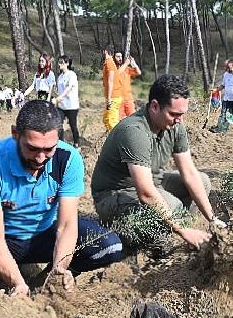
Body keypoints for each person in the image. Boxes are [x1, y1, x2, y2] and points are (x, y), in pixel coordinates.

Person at [0, 100, 123, 296]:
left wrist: (58, 271)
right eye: (32, 149)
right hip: (4, 238)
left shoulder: (68, 159)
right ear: (15, 134)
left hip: (44, 235)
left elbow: (66, 225)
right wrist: (16, 283)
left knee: (109, 246)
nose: (40, 158)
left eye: (48, 149)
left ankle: (52, 279)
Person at [91, 75, 225, 249]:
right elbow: (146, 193)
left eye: (182, 114)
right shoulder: (134, 131)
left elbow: (190, 173)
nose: (180, 120)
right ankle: (159, 242)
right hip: (114, 195)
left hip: (152, 182)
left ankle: (176, 230)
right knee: (174, 206)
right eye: (174, 114)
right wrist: (183, 229)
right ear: (154, 106)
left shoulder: (175, 126)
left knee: (203, 181)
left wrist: (212, 219)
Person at [53, 55, 80, 148]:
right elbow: (59, 90)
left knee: (73, 125)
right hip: (61, 106)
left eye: (61, 62)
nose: (59, 64)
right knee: (58, 124)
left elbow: (69, 88)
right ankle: (61, 143)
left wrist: (60, 97)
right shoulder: (60, 77)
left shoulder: (72, 75)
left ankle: (76, 143)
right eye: (59, 62)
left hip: (72, 105)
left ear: (67, 63)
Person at [113, 51, 142, 119]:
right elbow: (117, 74)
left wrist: (133, 63)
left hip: (128, 98)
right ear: (114, 58)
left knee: (133, 117)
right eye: (117, 57)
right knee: (120, 119)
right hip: (118, 99)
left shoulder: (126, 69)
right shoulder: (112, 68)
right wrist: (126, 63)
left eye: (121, 57)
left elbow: (138, 72)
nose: (120, 58)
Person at [101, 45, 120, 132]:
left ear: (105, 52)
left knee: (112, 121)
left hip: (113, 96)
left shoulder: (109, 63)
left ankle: (116, 139)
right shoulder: (109, 63)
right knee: (106, 118)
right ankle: (110, 135)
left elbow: (110, 81)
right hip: (113, 96)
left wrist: (109, 98)